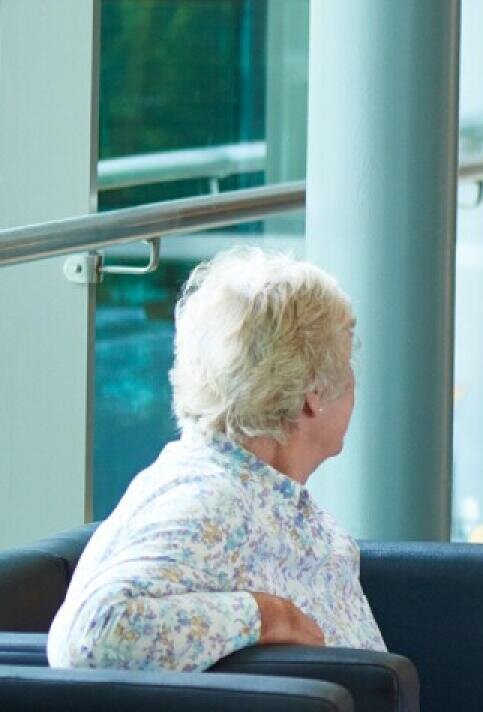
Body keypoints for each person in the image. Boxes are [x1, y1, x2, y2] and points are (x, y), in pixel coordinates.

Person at [49, 247, 382, 672]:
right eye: (347, 361)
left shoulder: (259, 488)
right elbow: (92, 636)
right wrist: (266, 616)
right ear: (313, 394)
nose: (354, 379)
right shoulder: (210, 502)